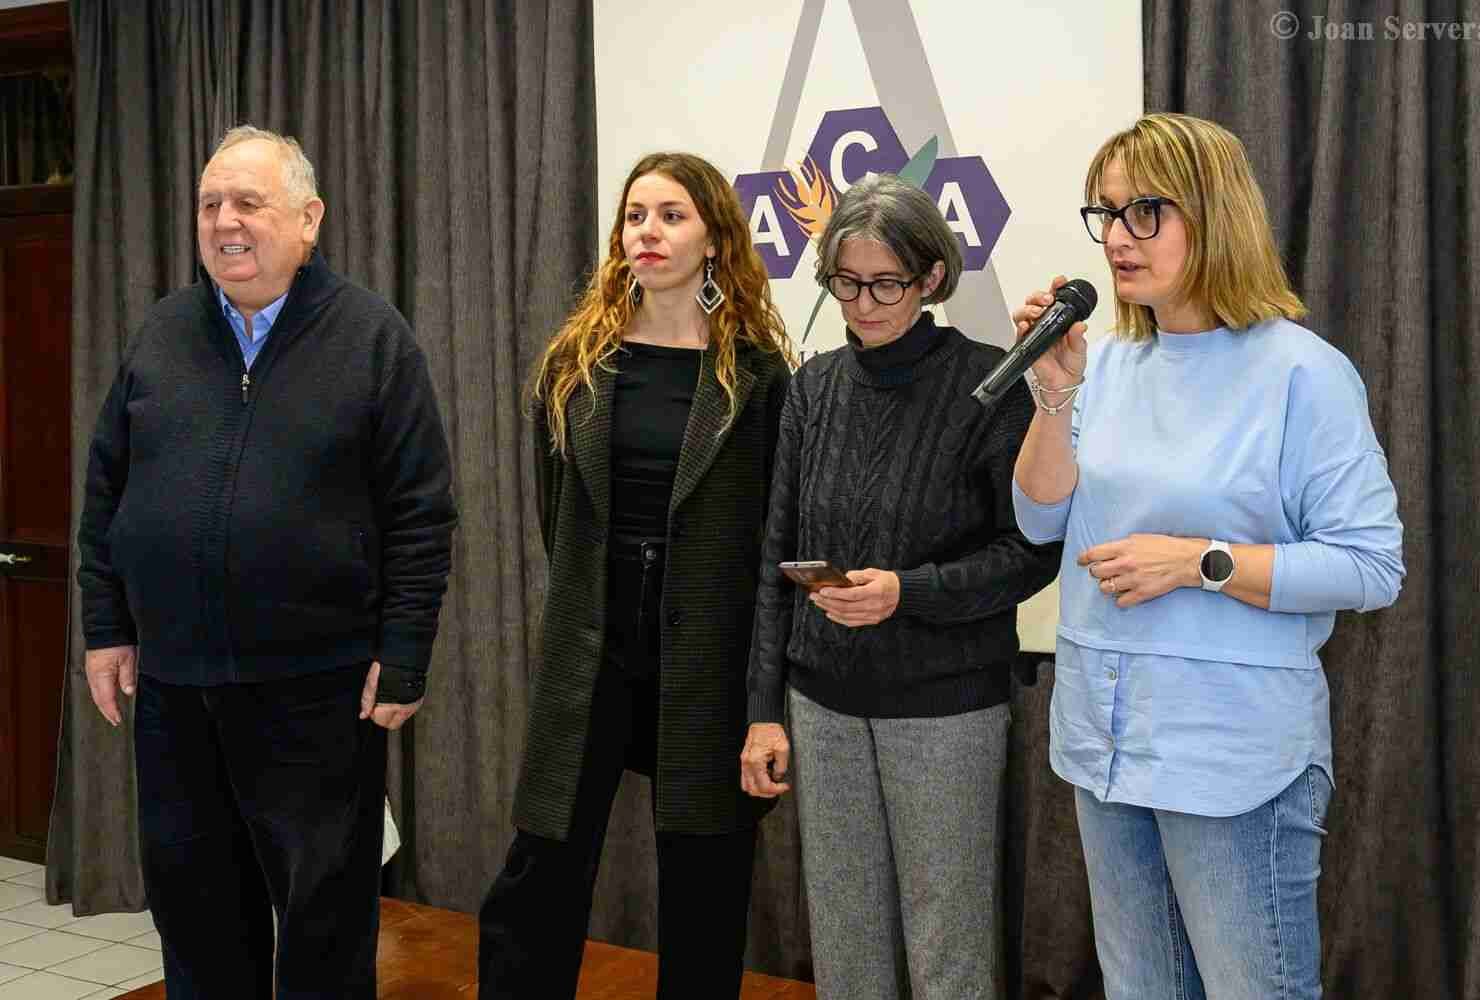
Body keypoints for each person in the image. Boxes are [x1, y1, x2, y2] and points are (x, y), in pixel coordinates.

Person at [1010, 112, 1405, 1000]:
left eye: (1143, 212)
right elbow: (1039, 522)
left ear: (1215, 214)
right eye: (1104, 214)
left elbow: (1371, 566)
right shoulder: (1103, 367)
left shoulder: (1302, 372)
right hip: (1103, 742)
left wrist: (1201, 563)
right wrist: (1052, 396)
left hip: (1232, 754)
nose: (1116, 238)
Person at [77, 125, 457, 998]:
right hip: (175, 691)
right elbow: (106, 495)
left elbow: (420, 514)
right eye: (211, 204)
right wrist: (106, 627)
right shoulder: (161, 334)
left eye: (248, 202)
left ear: (308, 219)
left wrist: (403, 657)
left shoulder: (371, 338)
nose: (225, 222)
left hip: (319, 691)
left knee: (325, 926)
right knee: (198, 921)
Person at [478, 152, 795, 1000]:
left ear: (713, 238)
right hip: (595, 646)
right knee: (541, 863)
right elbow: (558, 518)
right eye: (634, 216)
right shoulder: (573, 365)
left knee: (706, 877)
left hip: (705, 661)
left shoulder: (759, 376)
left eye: (671, 215)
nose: (646, 232)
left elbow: (771, 535)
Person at [740, 172, 1063, 1000]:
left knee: (946, 938)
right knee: (846, 936)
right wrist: (763, 711)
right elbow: (777, 549)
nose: (864, 302)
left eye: (886, 283)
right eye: (845, 283)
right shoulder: (812, 387)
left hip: (947, 705)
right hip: (823, 701)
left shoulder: (991, 382)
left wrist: (906, 592)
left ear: (931, 279)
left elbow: (1030, 553)